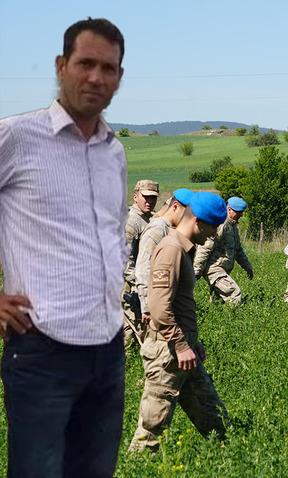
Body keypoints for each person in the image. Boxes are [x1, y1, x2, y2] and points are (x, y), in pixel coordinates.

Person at [0, 17, 127, 477]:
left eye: (108, 68)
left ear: (119, 78)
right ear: (61, 66)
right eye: (85, 63)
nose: (96, 77)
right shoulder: (16, 136)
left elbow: (113, 235)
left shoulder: (115, 152)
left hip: (108, 348)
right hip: (42, 351)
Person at [128, 192, 230, 452]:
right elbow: (159, 307)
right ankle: (138, 467)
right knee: (152, 426)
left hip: (183, 350)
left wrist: (193, 343)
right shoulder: (171, 249)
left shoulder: (182, 248)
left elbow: (179, 305)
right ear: (197, 221)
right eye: (212, 228)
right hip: (167, 351)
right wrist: (181, 344)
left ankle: (231, 457)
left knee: (215, 419)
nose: (214, 235)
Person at [135, 188, 194, 329]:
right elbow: (144, 268)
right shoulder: (157, 229)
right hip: (152, 304)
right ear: (175, 207)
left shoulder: (171, 229)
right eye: (186, 214)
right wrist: (147, 307)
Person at [194, 197, 253, 305]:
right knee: (234, 294)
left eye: (242, 212)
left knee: (218, 303)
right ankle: (236, 320)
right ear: (229, 209)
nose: (241, 215)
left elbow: (238, 250)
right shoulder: (222, 224)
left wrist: (247, 266)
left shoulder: (233, 225)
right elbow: (205, 247)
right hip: (214, 269)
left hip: (222, 269)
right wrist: (197, 270)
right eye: (238, 212)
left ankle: (214, 319)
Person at [123, 179, 159, 349]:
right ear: (135, 196)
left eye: (153, 198)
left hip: (143, 282)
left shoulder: (151, 218)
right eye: (146, 197)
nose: (149, 201)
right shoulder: (131, 221)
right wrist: (138, 281)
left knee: (132, 326)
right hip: (129, 284)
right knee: (136, 325)